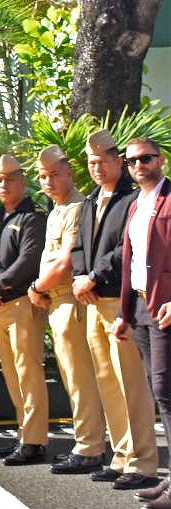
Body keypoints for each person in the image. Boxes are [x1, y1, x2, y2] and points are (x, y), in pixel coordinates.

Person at [71, 127, 159, 489]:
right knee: (108, 383)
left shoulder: (130, 199)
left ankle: (143, 461)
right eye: (91, 163)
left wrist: (92, 276)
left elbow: (128, 250)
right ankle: (122, 456)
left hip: (118, 301)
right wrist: (80, 278)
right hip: (93, 300)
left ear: (118, 163)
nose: (96, 168)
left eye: (103, 162)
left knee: (131, 385)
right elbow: (78, 245)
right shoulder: (91, 201)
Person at [30, 145, 107, 478]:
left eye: (54, 175)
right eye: (44, 177)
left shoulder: (77, 208)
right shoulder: (56, 210)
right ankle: (86, 442)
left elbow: (64, 264)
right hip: (56, 302)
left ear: (70, 173)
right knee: (71, 377)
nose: (48, 182)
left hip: (69, 302)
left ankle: (89, 447)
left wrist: (36, 288)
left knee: (80, 378)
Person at [0, 153, 49, 465]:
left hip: (22, 303)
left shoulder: (32, 216)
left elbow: (29, 260)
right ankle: (24, 434)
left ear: (22, 181)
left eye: (9, 179)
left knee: (27, 372)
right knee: (12, 373)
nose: (3, 185)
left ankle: (34, 441)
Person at [115, 136, 171, 509]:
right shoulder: (136, 205)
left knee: (168, 390)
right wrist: (124, 312)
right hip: (139, 306)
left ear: (161, 160)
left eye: (146, 158)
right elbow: (132, 262)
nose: (139, 165)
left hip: (165, 308)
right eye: (132, 160)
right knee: (159, 390)